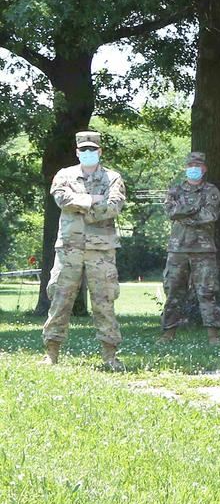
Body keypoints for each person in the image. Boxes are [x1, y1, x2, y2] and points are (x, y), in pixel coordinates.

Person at [42, 130, 127, 371]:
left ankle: (110, 355)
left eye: (92, 149)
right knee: (60, 298)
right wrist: (91, 200)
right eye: (83, 150)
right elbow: (60, 199)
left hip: (101, 251)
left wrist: (78, 203)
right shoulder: (64, 174)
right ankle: (51, 352)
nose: (88, 153)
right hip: (69, 248)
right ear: (77, 152)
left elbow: (113, 206)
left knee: (104, 301)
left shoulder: (112, 177)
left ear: (100, 151)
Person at [158, 152, 220, 345]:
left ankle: (213, 336)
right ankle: (168, 333)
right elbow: (171, 211)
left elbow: (210, 215)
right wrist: (194, 211)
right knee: (173, 292)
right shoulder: (175, 190)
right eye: (190, 165)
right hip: (178, 250)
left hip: (203, 251)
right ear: (186, 168)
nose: (194, 168)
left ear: (204, 169)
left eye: (198, 165)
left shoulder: (211, 191)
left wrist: (184, 213)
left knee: (207, 292)